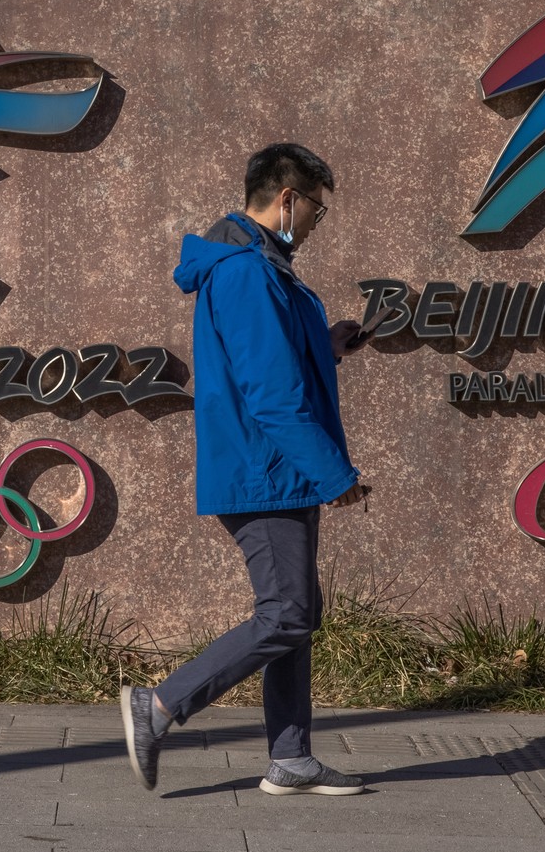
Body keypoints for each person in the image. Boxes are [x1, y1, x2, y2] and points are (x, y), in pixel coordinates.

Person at [122, 143, 370, 796]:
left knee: (296, 610)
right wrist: (335, 476)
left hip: (275, 468)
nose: (318, 221)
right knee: (287, 611)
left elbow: (274, 363)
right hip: (267, 468)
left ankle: (290, 757)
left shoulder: (261, 266)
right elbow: (272, 396)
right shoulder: (247, 273)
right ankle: (160, 704)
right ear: (287, 200)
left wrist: (328, 345)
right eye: (317, 207)